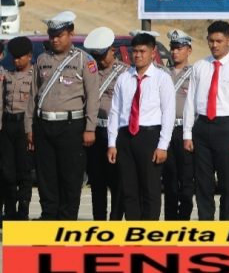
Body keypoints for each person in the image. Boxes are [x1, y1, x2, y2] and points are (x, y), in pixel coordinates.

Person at [26, 11, 100, 220]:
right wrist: (29, 127)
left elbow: (92, 97)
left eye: (59, 35)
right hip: (44, 126)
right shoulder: (42, 59)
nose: (55, 40)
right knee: (46, 176)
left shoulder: (84, 60)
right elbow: (33, 95)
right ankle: (49, 217)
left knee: (70, 177)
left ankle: (67, 220)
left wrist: (90, 128)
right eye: (52, 36)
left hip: (71, 126)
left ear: (71, 34)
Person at [183, 21, 229, 221]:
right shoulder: (199, 66)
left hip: (226, 128)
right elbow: (190, 101)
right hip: (202, 127)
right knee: (203, 183)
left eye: (219, 41)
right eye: (211, 41)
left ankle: (225, 225)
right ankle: (207, 225)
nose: (214, 45)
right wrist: (187, 133)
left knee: (227, 183)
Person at [107, 33, 175, 220]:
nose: (137, 55)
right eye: (135, 51)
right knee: (129, 189)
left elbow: (168, 113)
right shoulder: (124, 78)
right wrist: (112, 143)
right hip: (125, 136)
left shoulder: (162, 78)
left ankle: (148, 230)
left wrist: (163, 146)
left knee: (150, 189)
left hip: (149, 136)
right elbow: (115, 112)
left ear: (153, 53)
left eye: (142, 51)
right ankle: (134, 229)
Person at [83, 27, 128, 220]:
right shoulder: (89, 70)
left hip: (115, 133)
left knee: (118, 181)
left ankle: (115, 220)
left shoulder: (124, 73)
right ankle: (99, 221)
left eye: (102, 55)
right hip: (94, 131)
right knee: (97, 180)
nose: (99, 60)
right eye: (95, 56)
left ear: (112, 50)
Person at [163, 29, 195, 220]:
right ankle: (170, 221)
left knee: (186, 179)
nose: (175, 52)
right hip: (166, 130)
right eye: (173, 48)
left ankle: (183, 219)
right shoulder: (162, 73)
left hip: (185, 131)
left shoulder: (195, 74)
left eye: (179, 48)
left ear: (188, 50)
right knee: (169, 180)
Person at [1, 37, 34, 221]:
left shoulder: (35, 77)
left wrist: (32, 131)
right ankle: (10, 211)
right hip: (8, 125)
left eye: (20, 57)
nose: (16, 61)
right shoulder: (8, 75)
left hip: (24, 126)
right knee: (7, 172)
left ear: (29, 56)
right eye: (14, 57)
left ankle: (23, 212)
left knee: (24, 171)